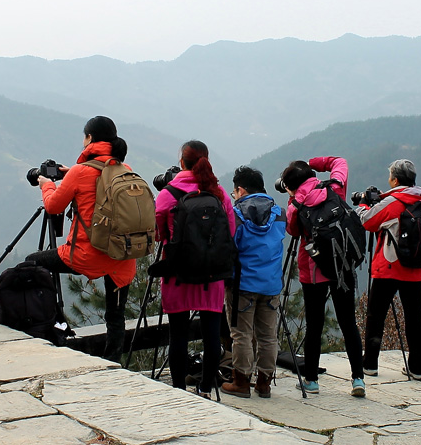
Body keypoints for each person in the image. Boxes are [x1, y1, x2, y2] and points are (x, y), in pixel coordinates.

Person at [25, 116, 135, 362]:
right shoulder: (124, 169)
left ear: (89, 139)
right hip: (121, 257)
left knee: (32, 262)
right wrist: (70, 174)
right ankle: (113, 364)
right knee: (115, 317)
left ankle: (48, 326)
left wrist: (46, 184)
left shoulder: (80, 172)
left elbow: (53, 206)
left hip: (87, 255)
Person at [153, 140, 236, 398]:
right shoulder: (218, 193)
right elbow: (230, 232)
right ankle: (205, 389)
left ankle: (178, 390)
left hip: (177, 272)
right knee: (211, 332)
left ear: (182, 162)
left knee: (177, 334)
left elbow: (159, 234)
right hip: (211, 275)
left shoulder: (168, 194)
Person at [283, 156, 366, 397]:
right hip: (343, 266)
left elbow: (293, 230)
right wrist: (313, 163)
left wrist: (293, 198)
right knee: (348, 322)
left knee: (314, 325)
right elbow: (340, 161)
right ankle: (358, 379)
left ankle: (311, 381)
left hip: (314, 270)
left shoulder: (295, 206)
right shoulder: (334, 186)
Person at [358, 159, 421, 381]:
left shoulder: (393, 202)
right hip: (417, 268)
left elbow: (368, 221)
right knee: (414, 318)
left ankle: (370, 365)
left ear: (394, 179)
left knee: (376, 316)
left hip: (390, 267)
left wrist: (365, 203)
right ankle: (418, 368)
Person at [220, 166, 285, 399]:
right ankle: (265, 383)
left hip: (243, 284)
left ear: (241, 189)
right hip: (271, 284)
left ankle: (241, 382)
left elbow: (229, 246)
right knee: (268, 336)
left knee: (241, 335)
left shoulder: (236, 214)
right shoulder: (279, 213)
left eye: (234, 191)